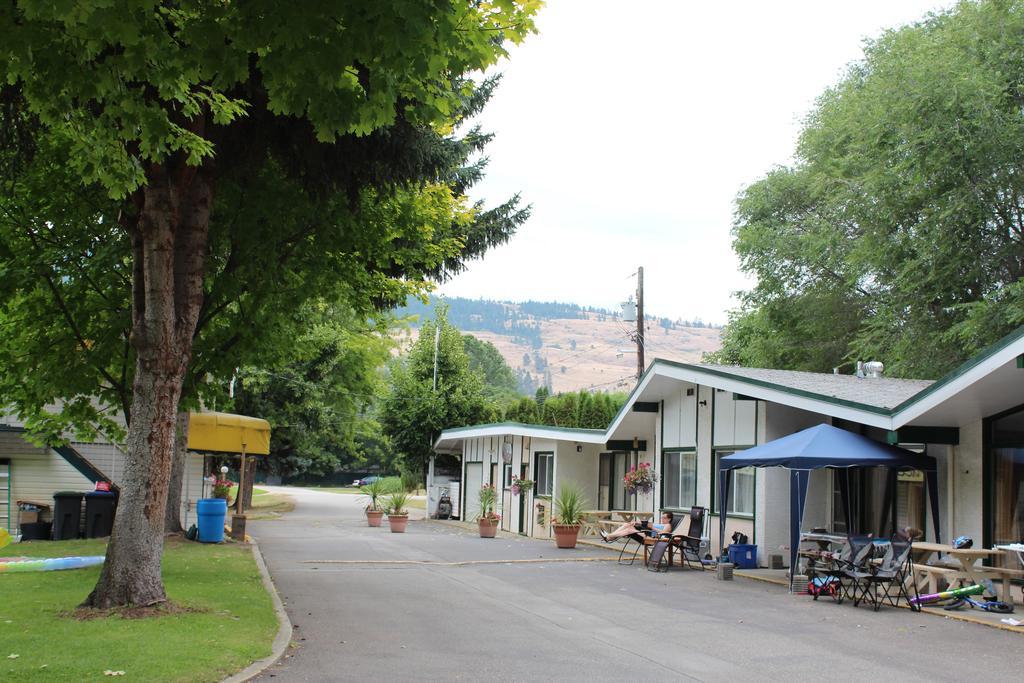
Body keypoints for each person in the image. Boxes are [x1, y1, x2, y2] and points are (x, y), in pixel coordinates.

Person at [600, 511, 674, 542]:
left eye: (664, 518)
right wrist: (637, 523)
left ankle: (608, 536)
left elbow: (663, 533)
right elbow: (649, 525)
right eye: (662, 517)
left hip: (649, 535)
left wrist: (652, 527)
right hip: (646, 531)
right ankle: (609, 537)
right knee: (628, 525)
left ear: (669, 519)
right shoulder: (661, 524)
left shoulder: (668, 525)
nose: (662, 519)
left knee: (629, 530)